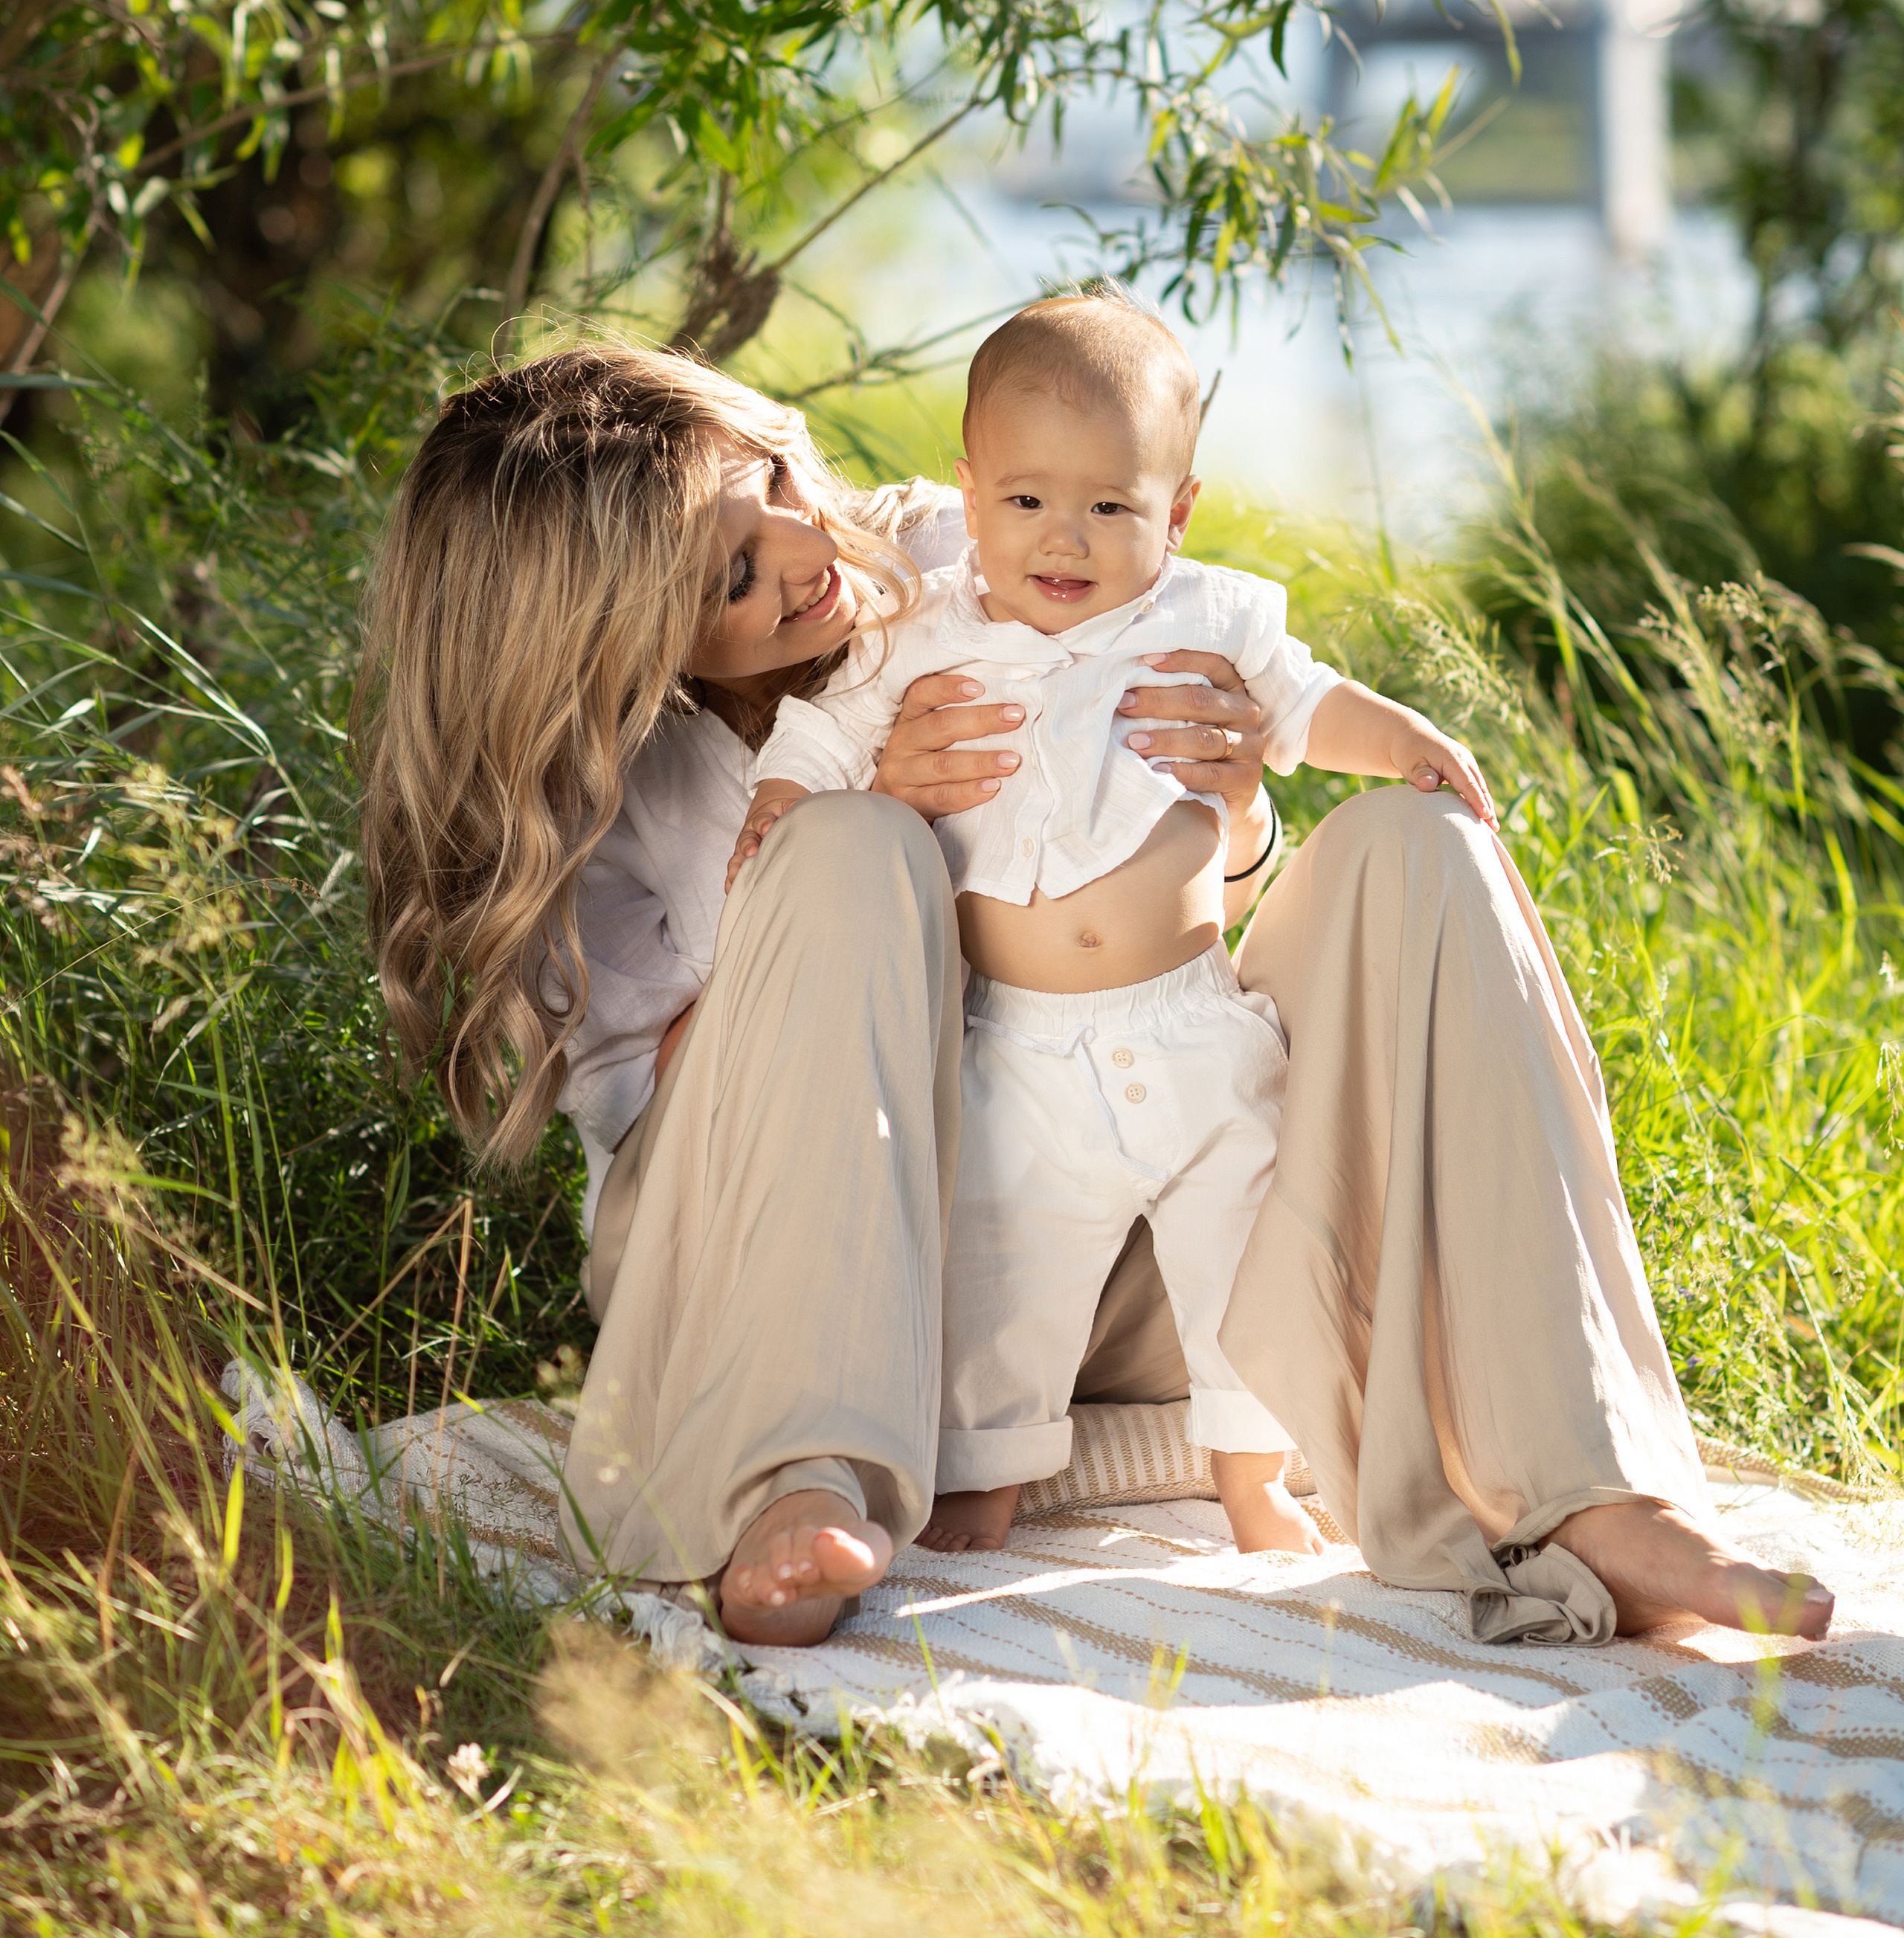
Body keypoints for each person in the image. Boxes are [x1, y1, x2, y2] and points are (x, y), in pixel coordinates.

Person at [354, 335, 1835, 1652]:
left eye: (781, 485)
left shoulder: (977, 546)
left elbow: (1172, 916)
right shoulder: (618, 796)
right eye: (732, 575)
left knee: (1409, 843)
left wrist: (1238, 801)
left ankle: (1579, 1486)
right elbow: (691, 1114)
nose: (807, 553)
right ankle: (798, 1476)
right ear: (613, 645)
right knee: (853, 848)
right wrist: (860, 812)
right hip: (806, 1273)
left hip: (1111, 1190)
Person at [730, 294, 1505, 1565]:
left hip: (1194, 1025)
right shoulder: (918, 631)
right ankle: (982, 1479)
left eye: (1111, 506)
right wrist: (777, 804)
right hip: (1015, 1045)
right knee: (1002, 1267)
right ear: (971, 495)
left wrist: (1405, 741)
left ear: (1178, 512)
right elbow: (820, 737)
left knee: (1243, 1248)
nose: (1065, 538)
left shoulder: (1211, 618)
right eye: (1029, 501)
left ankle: (1253, 1474)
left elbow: (1308, 707)